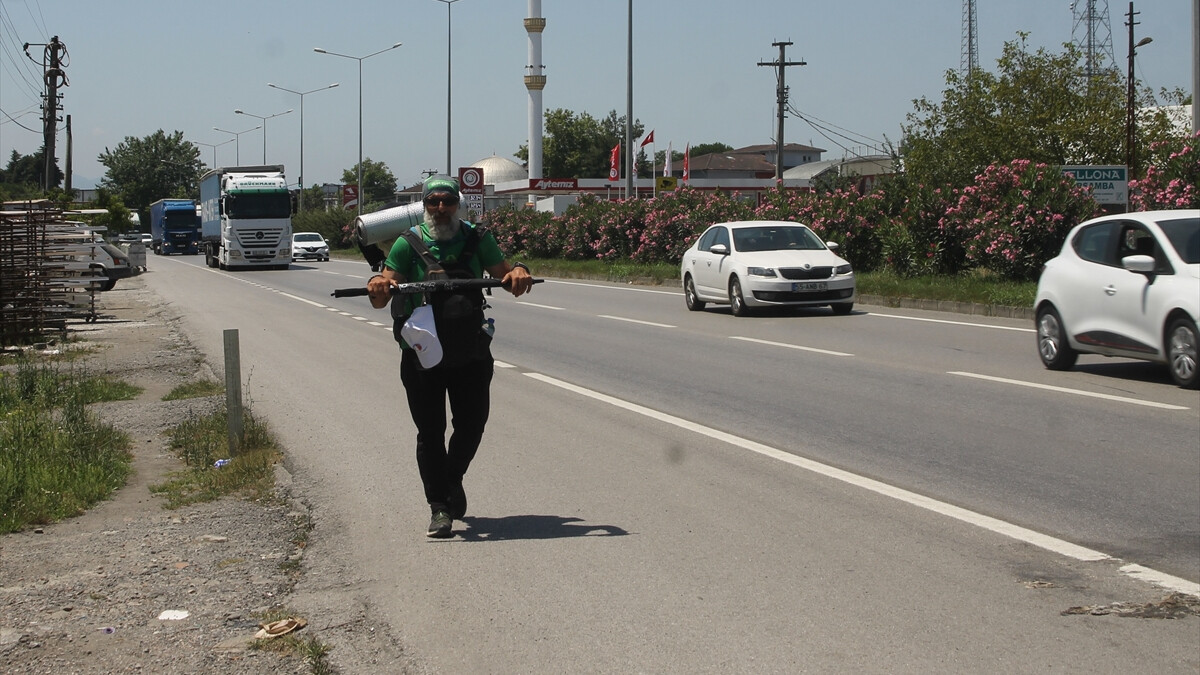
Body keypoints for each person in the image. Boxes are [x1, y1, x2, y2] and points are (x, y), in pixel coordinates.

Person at [367, 175, 533, 538]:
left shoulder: (478, 238)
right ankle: (439, 508)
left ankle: (451, 478)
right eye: (433, 202)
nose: (440, 209)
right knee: (430, 433)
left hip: (470, 350)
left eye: (447, 202)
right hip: (421, 353)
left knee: (472, 425)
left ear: (458, 204)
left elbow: (507, 275)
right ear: (424, 206)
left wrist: (520, 272)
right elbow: (382, 292)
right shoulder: (407, 242)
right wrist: (378, 285)